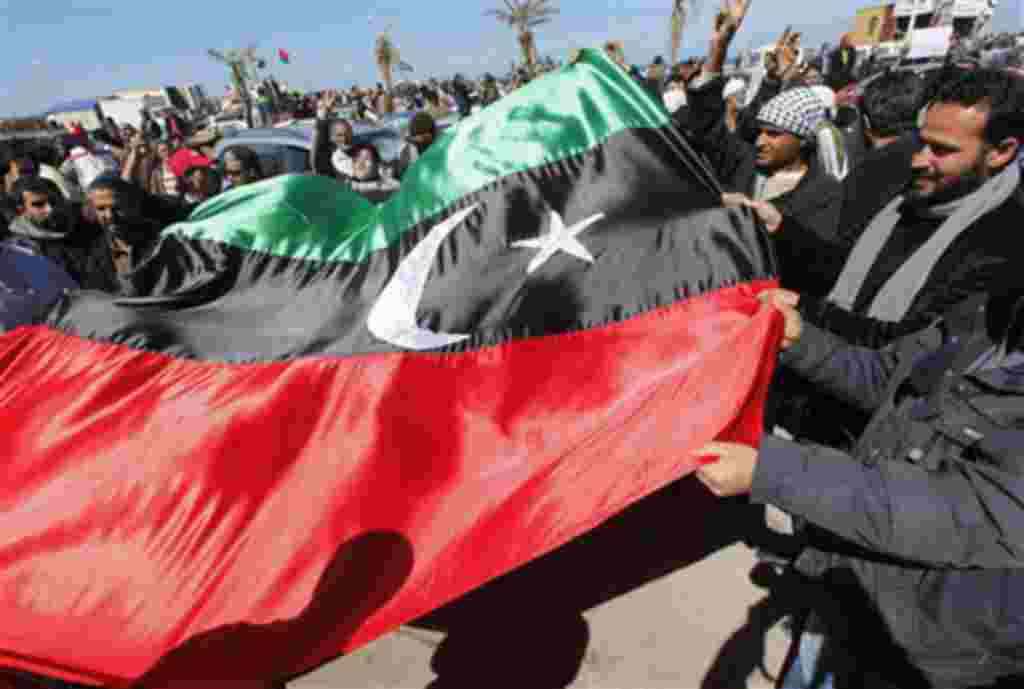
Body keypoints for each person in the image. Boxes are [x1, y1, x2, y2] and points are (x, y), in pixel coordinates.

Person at [696, 284, 1024, 689]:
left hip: (924, 652)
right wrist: (801, 340)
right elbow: (887, 379)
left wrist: (773, 470)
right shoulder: (990, 309)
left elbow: (955, 511)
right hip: (848, 587)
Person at [679, 0, 844, 298]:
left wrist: (777, 226)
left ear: (803, 140)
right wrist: (719, 46)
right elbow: (706, 120)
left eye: (774, 134)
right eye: (760, 131)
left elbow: (820, 267)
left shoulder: (823, 191)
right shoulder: (743, 161)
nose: (760, 141)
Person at [310, 91, 355, 182]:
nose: (343, 138)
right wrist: (323, 116)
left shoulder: (357, 159)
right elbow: (317, 156)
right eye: (339, 135)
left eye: (346, 134)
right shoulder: (329, 165)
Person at [394, 111, 437, 181]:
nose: (421, 140)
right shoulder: (408, 151)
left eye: (425, 137)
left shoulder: (439, 145)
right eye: (421, 137)